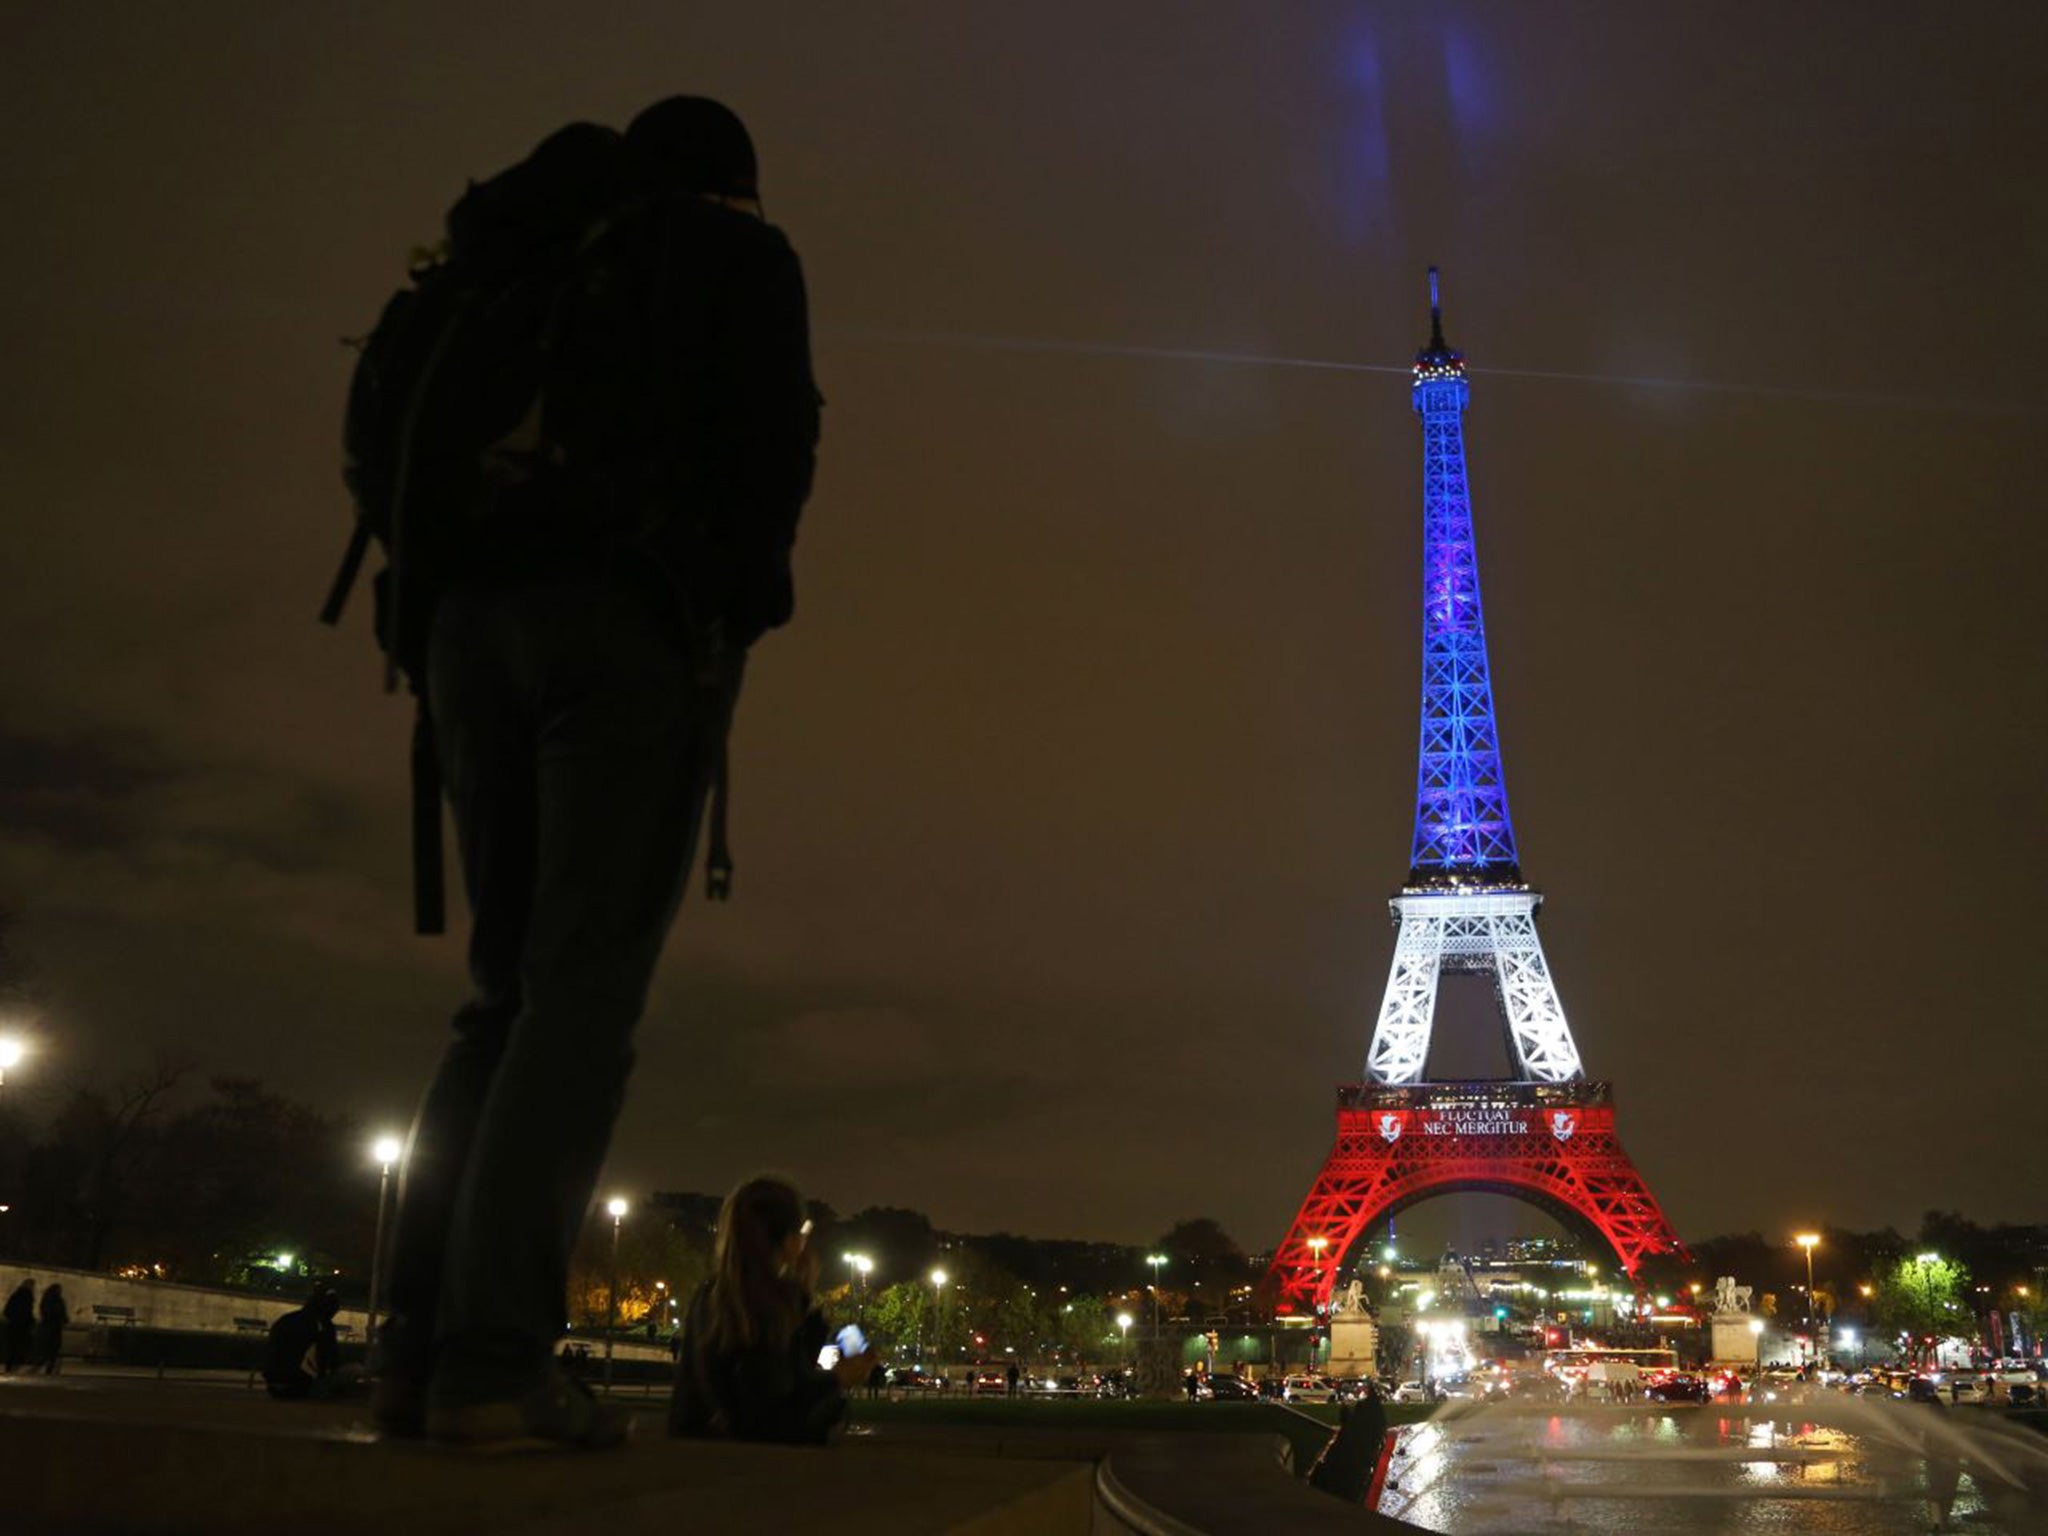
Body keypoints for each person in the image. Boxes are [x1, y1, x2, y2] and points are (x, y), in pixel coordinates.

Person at [369, 96, 820, 1454]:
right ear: (736, 185)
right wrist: (722, 614)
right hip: (621, 626)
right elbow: (773, 464)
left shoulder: (527, 267)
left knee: (496, 1000)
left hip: (458, 629)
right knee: (579, 1001)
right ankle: (495, 1367)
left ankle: (414, 1361)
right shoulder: (738, 259)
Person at [669, 1177, 871, 1443]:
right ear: (790, 1241)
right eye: (802, 1231)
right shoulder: (767, 1306)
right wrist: (839, 1378)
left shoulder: (712, 1296)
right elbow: (774, 1414)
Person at [264, 1289, 342, 1399]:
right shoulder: (323, 1326)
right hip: (300, 1385)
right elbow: (329, 1357)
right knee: (354, 1370)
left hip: (274, 1384)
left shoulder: (286, 1319)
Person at [34, 1283, 68, 1375]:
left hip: (50, 1326)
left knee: (50, 1347)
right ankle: (48, 1365)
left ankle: (46, 1364)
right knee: (52, 1347)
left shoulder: (47, 1299)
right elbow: (61, 1313)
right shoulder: (57, 1301)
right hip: (53, 1326)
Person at [3, 1278, 34, 1372]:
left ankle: (9, 1365)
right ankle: (16, 1364)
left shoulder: (15, 1295)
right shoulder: (28, 1297)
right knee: (21, 1345)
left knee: (12, 1345)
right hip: (23, 1326)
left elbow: (7, 1310)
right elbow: (27, 1312)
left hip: (13, 1324)